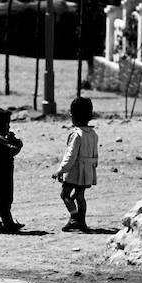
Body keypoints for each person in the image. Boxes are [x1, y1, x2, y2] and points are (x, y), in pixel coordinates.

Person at [52, 97, 99, 232]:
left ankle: (73, 218)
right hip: (87, 171)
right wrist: (92, 169)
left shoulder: (76, 135)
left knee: (65, 194)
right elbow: (95, 155)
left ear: (72, 116)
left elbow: (70, 156)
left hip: (75, 171)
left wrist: (60, 171)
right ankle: (82, 222)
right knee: (80, 196)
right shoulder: (93, 134)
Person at [0, 107, 25, 233]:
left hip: (2, 173)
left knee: (5, 200)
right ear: (1, 124)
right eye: (8, 124)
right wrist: (18, 143)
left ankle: (6, 223)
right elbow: (12, 151)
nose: (9, 127)